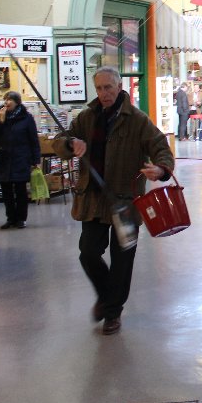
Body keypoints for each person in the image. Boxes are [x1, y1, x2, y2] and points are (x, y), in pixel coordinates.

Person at [54, 66, 174, 336]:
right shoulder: (86, 118)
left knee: (122, 260)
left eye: (108, 87)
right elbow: (60, 140)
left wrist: (161, 169)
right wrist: (70, 144)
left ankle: (112, 312)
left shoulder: (137, 120)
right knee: (88, 253)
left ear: (120, 87)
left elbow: (161, 147)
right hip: (93, 200)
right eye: (99, 88)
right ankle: (107, 296)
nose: (104, 93)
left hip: (126, 202)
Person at [0, 90, 41, 230]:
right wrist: (1, 121)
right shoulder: (0, 116)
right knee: (6, 191)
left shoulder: (27, 118)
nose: (7, 102)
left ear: (17, 102)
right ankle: (10, 218)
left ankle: (21, 219)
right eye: (5, 99)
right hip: (3, 160)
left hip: (20, 159)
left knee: (20, 190)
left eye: (10, 99)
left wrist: (36, 160)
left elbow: (33, 140)